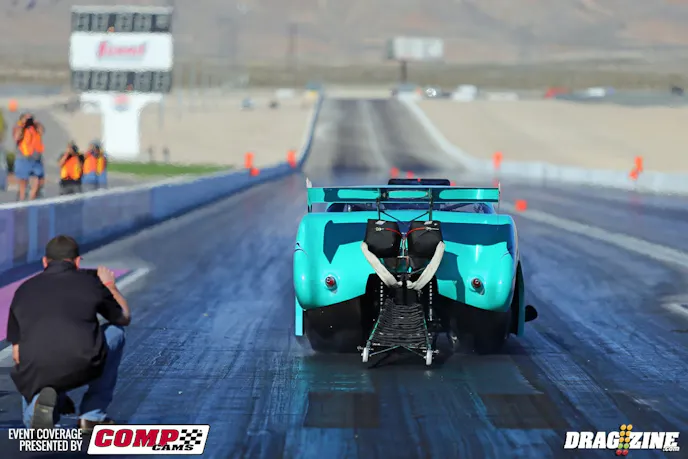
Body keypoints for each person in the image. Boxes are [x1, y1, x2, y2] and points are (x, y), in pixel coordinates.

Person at [6, 235, 131, 431]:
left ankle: (36, 410)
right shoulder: (90, 283)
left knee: (34, 362)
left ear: (45, 261)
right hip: (82, 361)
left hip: (37, 368)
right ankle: (91, 415)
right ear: (78, 261)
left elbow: (17, 355)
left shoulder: (23, 290)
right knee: (116, 332)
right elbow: (123, 317)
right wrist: (110, 285)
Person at [13, 112, 45, 201]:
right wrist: (23, 125)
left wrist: (35, 123)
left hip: (36, 158)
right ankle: (22, 200)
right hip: (23, 158)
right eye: (26, 118)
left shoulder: (35, 127)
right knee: (23, 181)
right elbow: (16, 137)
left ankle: (32, 198)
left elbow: (42, 131)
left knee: (38, 181)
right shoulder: (18, 127)